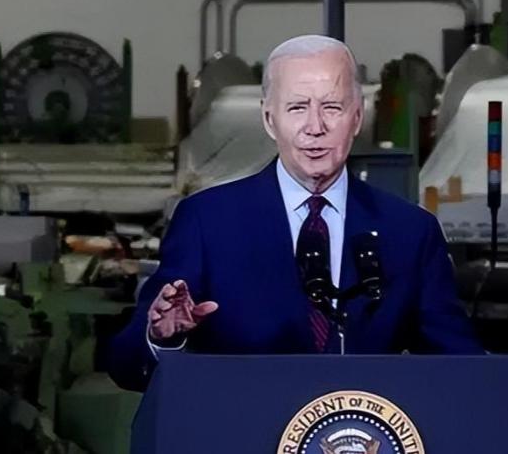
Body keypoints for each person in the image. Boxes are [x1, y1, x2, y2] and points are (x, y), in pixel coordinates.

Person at [109, 35, 482, 391]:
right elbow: (126, 363)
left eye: (331, 107)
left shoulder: (410, 232)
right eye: (297, 108)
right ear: (269, 119)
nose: (315, 128)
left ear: (356, 118)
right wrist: (161, 337)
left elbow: (461, 367)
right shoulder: (206, 223)